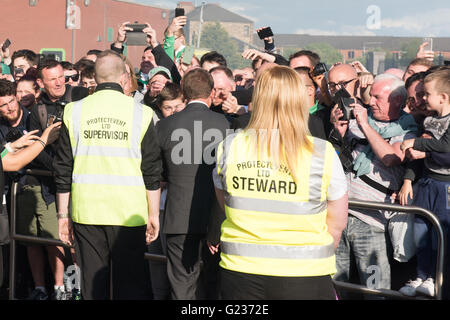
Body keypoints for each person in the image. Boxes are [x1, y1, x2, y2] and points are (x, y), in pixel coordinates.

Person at [211, 65, 348, 300]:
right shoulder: (321, 153)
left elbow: (226, 204)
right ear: (298, 99)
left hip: (241, 271)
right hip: (305, 274)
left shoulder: (230, 146)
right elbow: (336, 224)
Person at [54, 50, 163, 300]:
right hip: (130, 212)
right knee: (130, 284)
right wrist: (153, 214)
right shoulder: (142, 113)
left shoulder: (73, 111)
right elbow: (151, 170)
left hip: (87, 210)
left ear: (95, 77)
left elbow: (63, 167)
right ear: (125, 77)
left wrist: (62, 215)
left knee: (93, 284)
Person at [331, 74, 418, 295]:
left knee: (374, 288)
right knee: (337, 285)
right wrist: (339, 133)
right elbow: (338, 157)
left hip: (372, 220)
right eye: (371, 96)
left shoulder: (408, 128)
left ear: (397, 100)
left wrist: (364, 125)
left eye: (378, 97)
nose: (371, 102)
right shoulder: (357, 120)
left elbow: (390, 158)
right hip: (340, 214)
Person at [155, 68, 229, 300]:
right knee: (212, 284)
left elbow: (156, 171)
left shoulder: (166, 125)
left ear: (184, 94)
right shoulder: (225, 124)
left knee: (182, 286)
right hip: (215, 217)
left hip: (179, 215)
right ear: (211, 92)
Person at [399, 69, 450, 298]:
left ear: (443, 97)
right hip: (426, 184)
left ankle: (435, 278)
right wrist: (408, 179)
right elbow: (415, 155)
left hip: (444, 187)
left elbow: (446, 149)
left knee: (439, 236)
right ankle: (420, 275)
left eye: (427, 94)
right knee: (420, 232)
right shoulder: (428, 121)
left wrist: (419, 145)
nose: (423, 99)